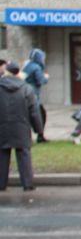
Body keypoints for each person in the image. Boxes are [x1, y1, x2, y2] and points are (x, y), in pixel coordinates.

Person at [0, 62, 43, 192]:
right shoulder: (26, 88)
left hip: (2, 128)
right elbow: (34, 112)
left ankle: (1, 184)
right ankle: (27, 183)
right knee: (24, 154)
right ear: (18, 72)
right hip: (22, 127)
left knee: (2, 155)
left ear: (6, 72)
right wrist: (39, 130)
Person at [22, 48, 49, 143]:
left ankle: (30, 137)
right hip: (33, 96)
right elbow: (40, 81)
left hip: (24, 94)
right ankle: (40, 136)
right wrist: (45, 78)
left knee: (28, 116)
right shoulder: (37, 67)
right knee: (40, 115)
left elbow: (21, 78)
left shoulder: (27, 66)